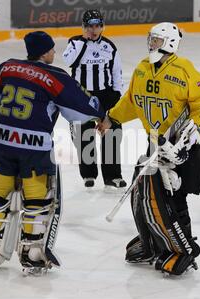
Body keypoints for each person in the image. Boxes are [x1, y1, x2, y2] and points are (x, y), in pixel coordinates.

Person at [0, 31, 105, 274]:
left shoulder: (8, 68)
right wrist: (103, 114)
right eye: (52, 50)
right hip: (33, 147)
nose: (55, 53)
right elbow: (82, 110)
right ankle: (32, 254)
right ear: (45, 52)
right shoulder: (55, 76)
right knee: (37, 200)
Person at [98, 22, 200, 275]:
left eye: (156, 39)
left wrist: (195, 133)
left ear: (169, 42)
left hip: (180, 146)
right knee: (140, 194)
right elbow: (133, 101)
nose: (151, 43)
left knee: (173, 197)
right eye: (151, 39)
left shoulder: (183, 69)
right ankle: (152, 242)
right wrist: (112, 117)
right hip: (154, 143)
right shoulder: (143, 68)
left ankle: (183, 249)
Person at [62, 9, 126, 190]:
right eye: (90, 26)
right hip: (82, 96)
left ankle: (113, 177)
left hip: (106, 96)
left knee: (112, 134)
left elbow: (116, 73)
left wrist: (116, 95)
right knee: (85, 136)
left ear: (102, 26)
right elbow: (68, 61)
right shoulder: (74, 43)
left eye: (97, 25)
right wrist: (84, 42)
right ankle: (89, 174)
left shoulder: (109, 46)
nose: (94, 29)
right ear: (84, 27)